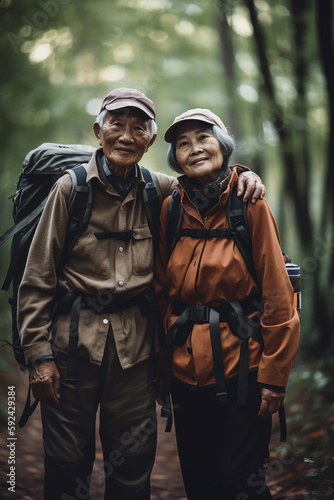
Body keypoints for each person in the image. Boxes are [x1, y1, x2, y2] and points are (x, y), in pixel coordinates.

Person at [17, 89, 265, 500]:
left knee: (132, 464)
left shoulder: (162, 189)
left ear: (150, 139)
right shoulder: (71, 189)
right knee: (66, 462)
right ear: (99, 131)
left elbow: (211, 182)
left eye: (139, 127)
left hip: (135, 353)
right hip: (70, 350)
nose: (127, 136)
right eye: (117, 124)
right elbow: (37, 278)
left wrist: (246, 175)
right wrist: (39, 356)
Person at [154, 108, 300, 500]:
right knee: (200, 482)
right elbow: (162, 290)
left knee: (242, 482)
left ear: (222, 143)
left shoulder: (249, 203)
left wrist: (274, 375)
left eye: (203, 137)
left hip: (245, 370)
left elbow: (277, 293)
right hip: (185, 373)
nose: (194, 148)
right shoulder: (170, 208)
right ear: (175, 158)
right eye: (183, 144)